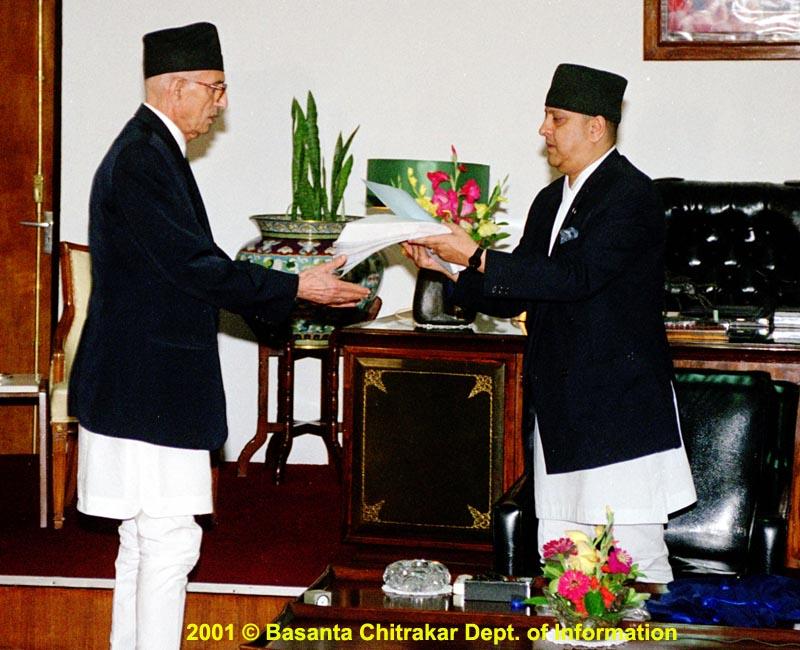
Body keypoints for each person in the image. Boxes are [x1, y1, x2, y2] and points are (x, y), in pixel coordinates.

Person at [69, 22, 368, 649]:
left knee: (146, 540)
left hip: (138, 384)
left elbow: (188, 266)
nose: (221, 102)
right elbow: (195, 267)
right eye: (215, 88)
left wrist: (287, 287)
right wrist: (297, 286)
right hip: (149, 388)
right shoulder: (144, 158)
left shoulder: (149, 149)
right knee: (170, 541)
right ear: (177, 86)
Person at [403, 63, 696, 583]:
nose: (544, 130)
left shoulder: (631, 196)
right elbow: (518, 292)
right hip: (562, 414)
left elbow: (577, 277)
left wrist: (478, 254)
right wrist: (448, 269)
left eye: (556, 118)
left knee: (631, 565)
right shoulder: (549, 201)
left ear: (595, 126)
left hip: (617, 412)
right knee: (564, 563)